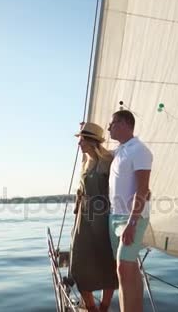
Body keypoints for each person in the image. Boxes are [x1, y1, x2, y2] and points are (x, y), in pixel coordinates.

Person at [69, 122, 118, 312]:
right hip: (84, 216)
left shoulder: (109, 161)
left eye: (81, 140)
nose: (79, 144)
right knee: (78, 262)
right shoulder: (86, 162)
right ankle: (90, 307)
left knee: (106, 261)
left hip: (103, 217)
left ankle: (104, 307)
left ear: (91, 141)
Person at [107, 110, 152, 312]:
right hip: (115, 217)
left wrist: (132, 222)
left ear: (125, 123)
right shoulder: (120, 151)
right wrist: (85, 133)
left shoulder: (139, 150)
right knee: (129, 269)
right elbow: (97, 150)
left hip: (132, 218)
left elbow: (142, 188)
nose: (109, 127)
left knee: (123, 268)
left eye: (113, 123)